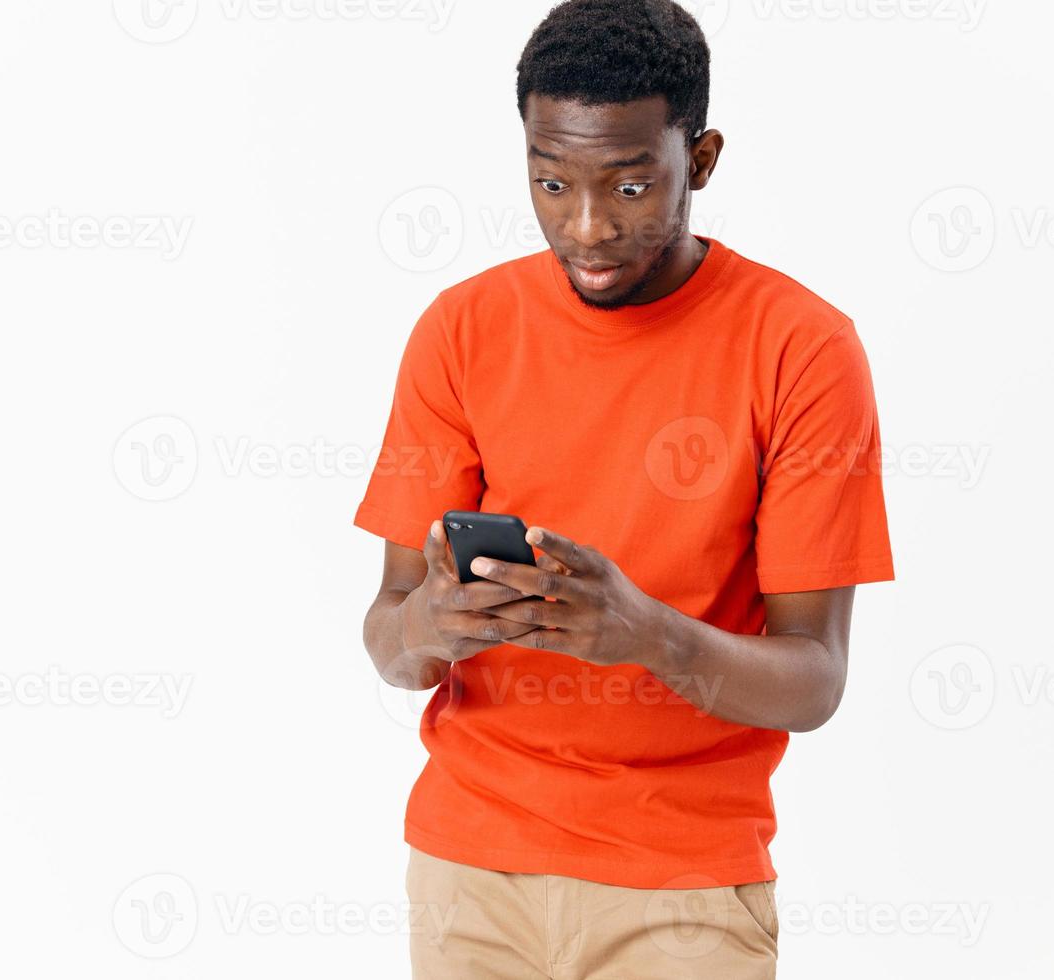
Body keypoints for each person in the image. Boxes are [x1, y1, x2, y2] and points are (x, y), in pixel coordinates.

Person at [354, 1, 895, 975]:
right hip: (468, 869)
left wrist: (645, 632)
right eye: (550, 182)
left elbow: (815, 679)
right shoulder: (460, 329)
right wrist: (438, 619)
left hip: (686, 886)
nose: (589, 226)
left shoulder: (803, 348)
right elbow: (393, 640)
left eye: (633, 183)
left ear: (704, 156)